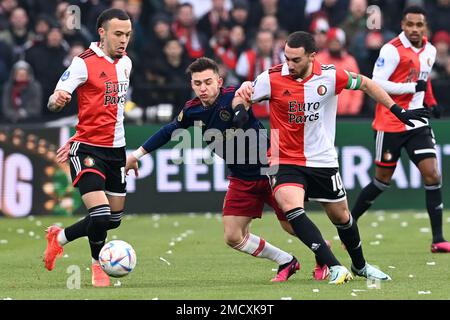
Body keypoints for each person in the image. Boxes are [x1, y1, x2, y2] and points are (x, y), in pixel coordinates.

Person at [236, 31, 429, 284]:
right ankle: (335, 266)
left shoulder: (331, 75)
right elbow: (242, 96)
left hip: (322, 159)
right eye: (286, 58)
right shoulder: (271, 78)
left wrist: (398, 111)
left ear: (312, 57)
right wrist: (240, 105)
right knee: (290, 206)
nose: (289, 65)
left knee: (341, 217)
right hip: (283, 158)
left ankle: (360, 266)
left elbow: (368, 84)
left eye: (295, 60)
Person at [125, 57, 302, 282]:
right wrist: (135, 155)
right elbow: (168, 131)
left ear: (219, 81)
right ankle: (287, 260)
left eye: (208, 82)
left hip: (270, 171)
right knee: (233, 236)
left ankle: (324, 256)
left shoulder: (233, 95)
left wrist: (242, 106)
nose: (203, 88)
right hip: (241, 177)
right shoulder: (192, 110)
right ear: (192, 85)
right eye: (198, 83)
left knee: (293, 225)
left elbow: (241, 110)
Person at [43, 8, 133, 287]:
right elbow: (57, 96)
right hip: (88, 149)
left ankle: (59, 238)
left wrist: (132, 154)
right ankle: (98, 267)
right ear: (102, 33)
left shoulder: (126, 63)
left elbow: (113, 112)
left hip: (116, 150)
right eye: (118, 34)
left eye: (128, 35)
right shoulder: (82, 63)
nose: (123, 40)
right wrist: (58, 99)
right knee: (101, 214)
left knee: (113, 220)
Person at [351, 6, 450, 253]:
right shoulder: (391, 50)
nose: (414, 29)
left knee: (433, 174)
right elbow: (375, 83)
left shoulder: (430, 49)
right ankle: (349, 224)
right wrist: (410, 88)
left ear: (425, 27)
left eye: (419, 25)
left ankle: (438, 239)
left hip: (417, 121)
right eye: (410, 25)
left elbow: (423, 81)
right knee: (382, 181)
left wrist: (433, 102)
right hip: (390, 121)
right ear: (403, 26)